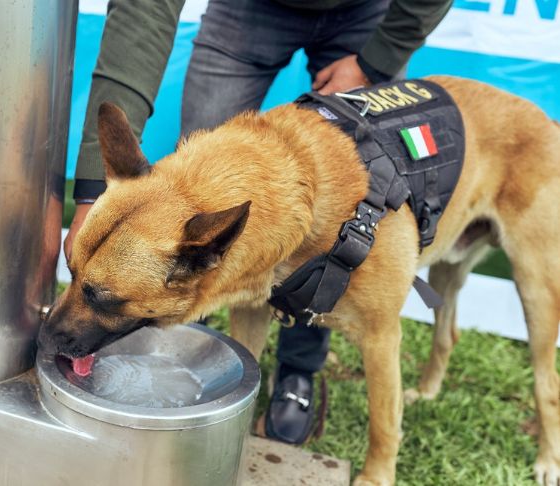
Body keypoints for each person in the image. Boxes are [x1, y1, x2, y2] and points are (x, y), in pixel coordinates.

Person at [65, 0, 453, 445]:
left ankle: (297, 374)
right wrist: (95, 192)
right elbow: (145, 9)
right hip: (246, 10)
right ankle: (201, 363)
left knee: (322, 238)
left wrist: (376, 59)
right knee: (198, 184)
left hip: (364, 12)